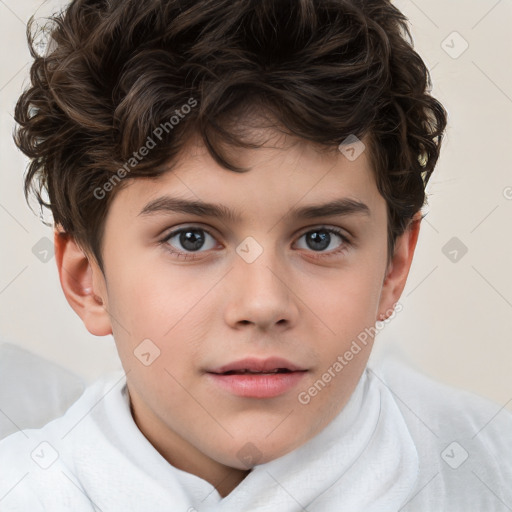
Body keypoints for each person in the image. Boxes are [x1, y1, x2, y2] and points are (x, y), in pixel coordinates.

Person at [1, 0, 510, 510]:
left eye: (320, 238)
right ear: (87, 279)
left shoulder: (489, 469)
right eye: (191, 239)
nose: (263, 304)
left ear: (393, 270)